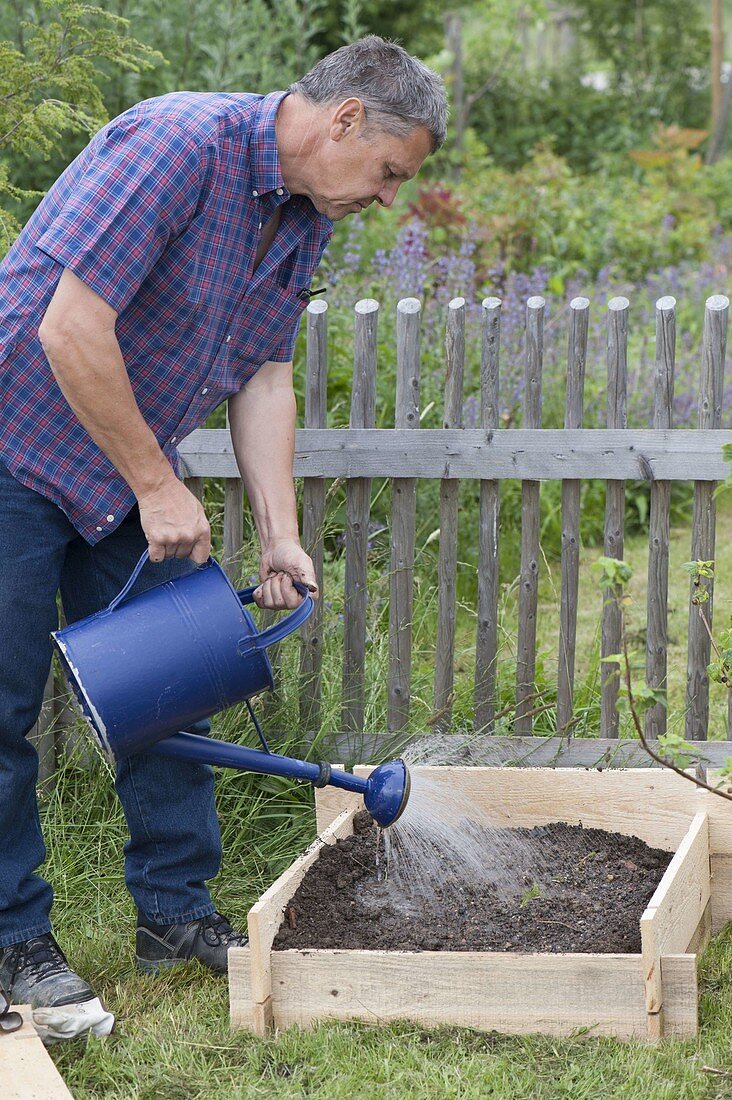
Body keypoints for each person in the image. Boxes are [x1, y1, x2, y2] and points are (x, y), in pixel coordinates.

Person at [0, 35, 447, 1041]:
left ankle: (174, 913)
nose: (385, 199)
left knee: (179, 679)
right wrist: (158, 484)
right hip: (16, 444)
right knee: (0, 705)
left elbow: (264, 375)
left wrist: (281, 532)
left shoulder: (303, 215)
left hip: (119, 465)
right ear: (343, 121)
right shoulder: (174, 145)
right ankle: (17, 939)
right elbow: (69, 328)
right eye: (387, 173)